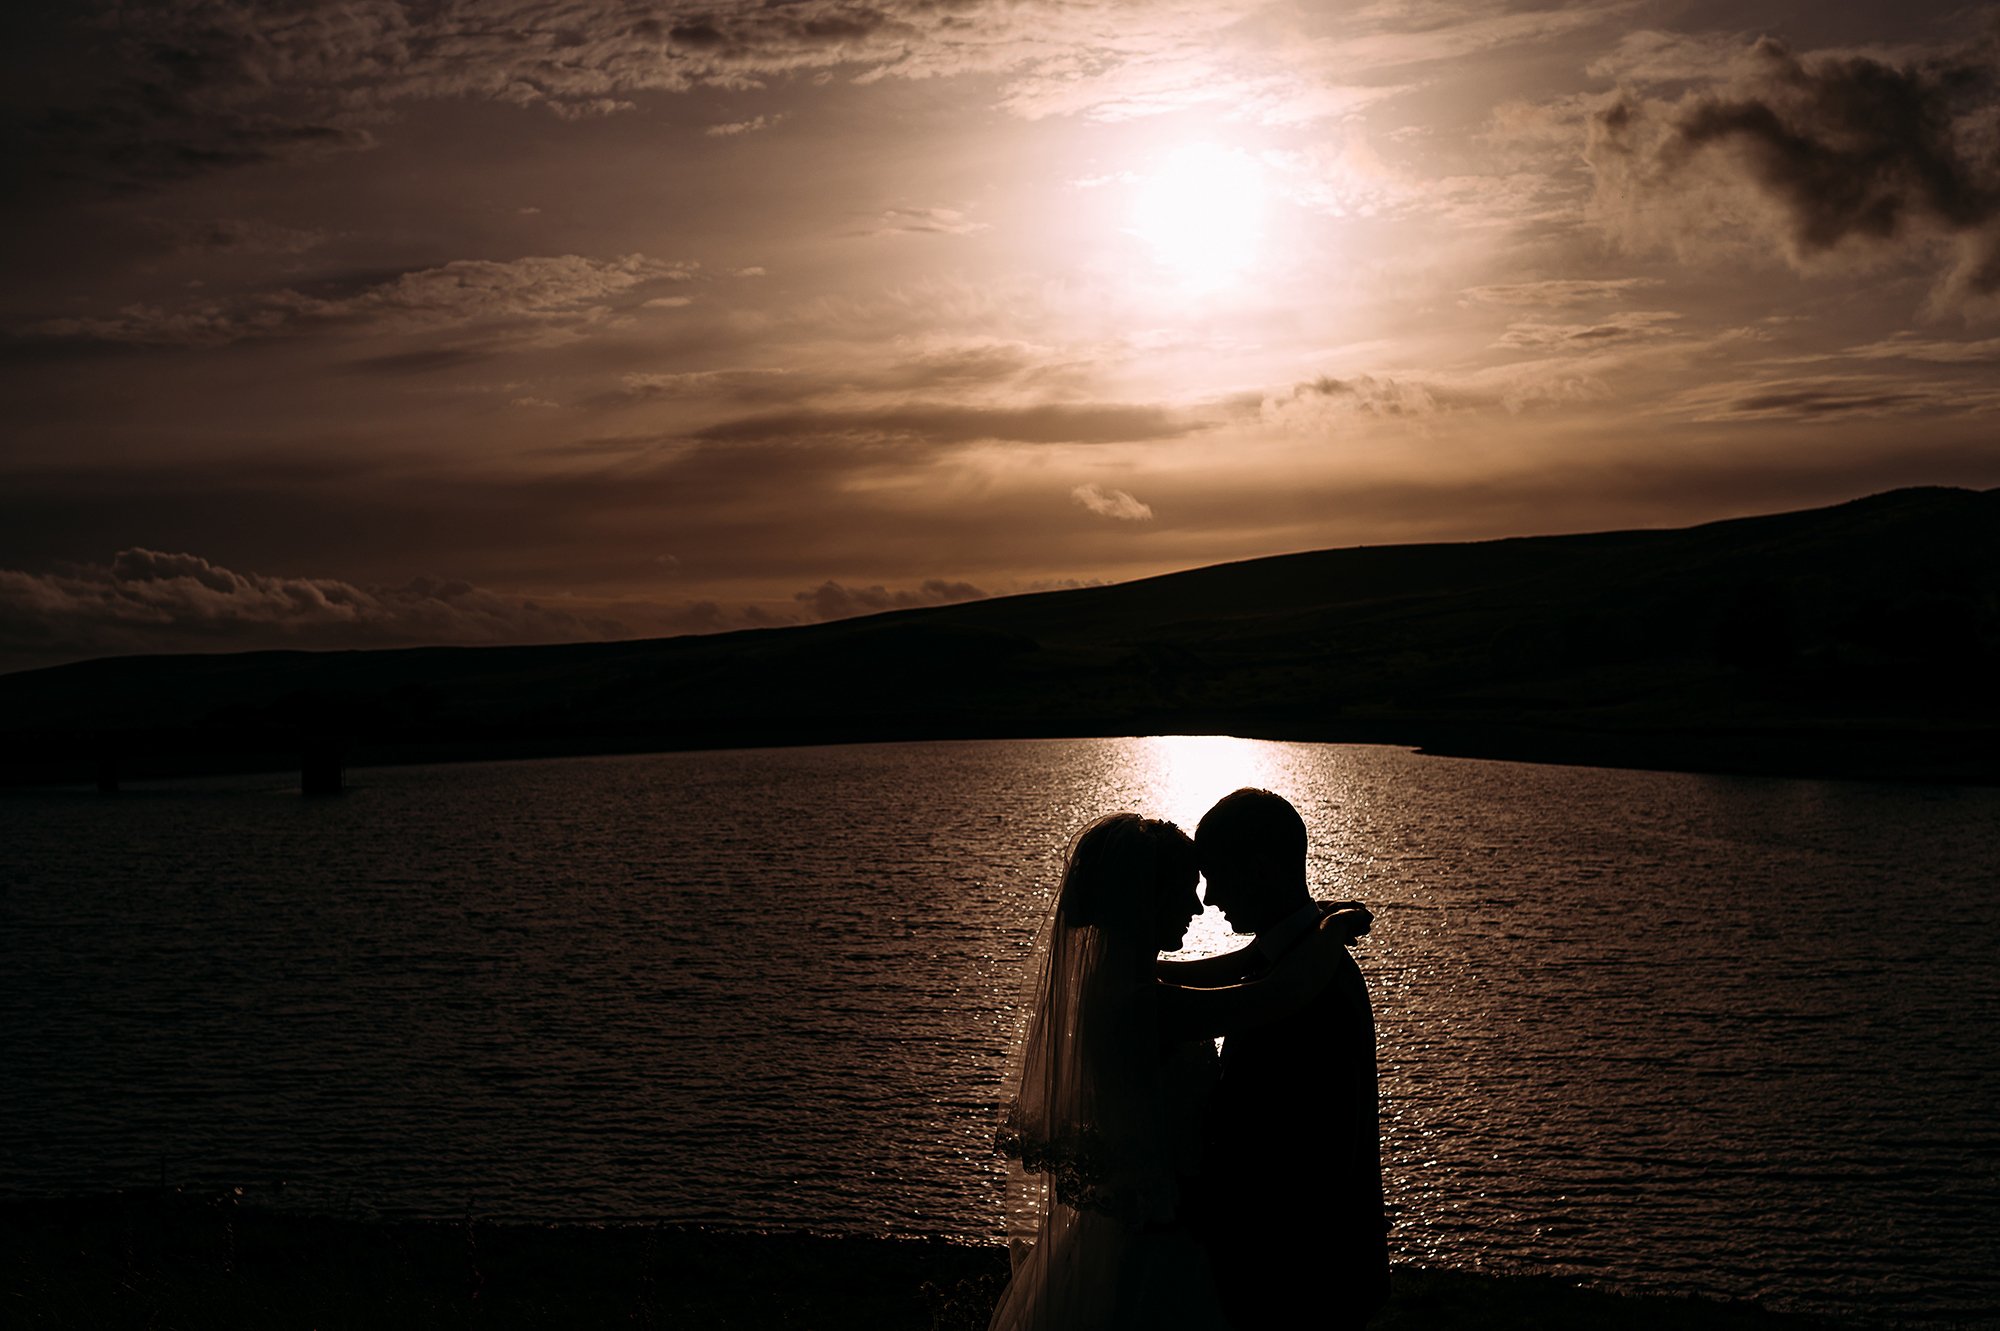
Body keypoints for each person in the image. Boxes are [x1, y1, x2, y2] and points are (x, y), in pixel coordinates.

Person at [988, 812, 1371, 1331]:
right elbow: (1271, 996)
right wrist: (1328, 932)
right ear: (1146, 900)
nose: (1201, 904)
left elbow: (1227, 969)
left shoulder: (1120, 985)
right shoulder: (1144, 1005)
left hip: (1176, 1238)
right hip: (1166, 1243)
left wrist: (1299, 931)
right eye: (1187, 890)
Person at [1170, 788, 1390, 1330]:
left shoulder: (1316, 983)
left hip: (1299, 1283)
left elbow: (1320, 1151)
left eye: (1216, 872)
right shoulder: (1300, 962)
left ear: (1262, 867)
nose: (1210, 898)